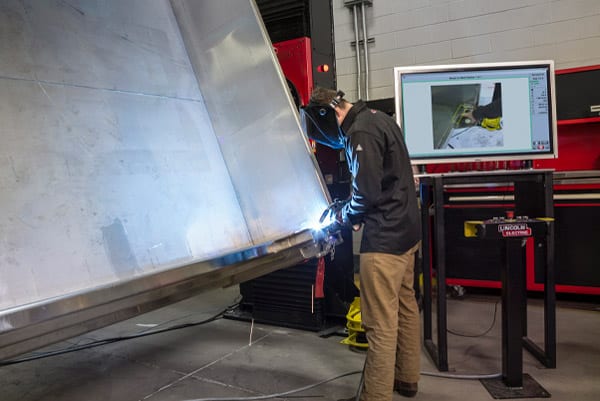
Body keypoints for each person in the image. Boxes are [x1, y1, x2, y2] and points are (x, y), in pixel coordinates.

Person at [301, 88, 422, 401]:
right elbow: (383, 181)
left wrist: (345, 214)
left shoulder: (359, 132)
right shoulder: (379, 118)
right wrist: (354, 208)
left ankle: (375, 396)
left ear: (329, 114)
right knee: (406, 306)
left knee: (379, 324)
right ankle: (407, 380)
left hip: (385, 242)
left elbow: (365, 194)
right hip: (407, 232)